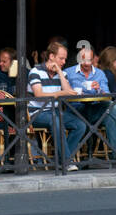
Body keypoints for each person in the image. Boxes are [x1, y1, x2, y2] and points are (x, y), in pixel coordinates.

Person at [28, 41, 86, 172]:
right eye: (61, 58)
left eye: (65, 58)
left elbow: (69, 92)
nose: (64, 61)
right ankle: (66, 161)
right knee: (55, 119)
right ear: (51, 57)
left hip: (55, 112)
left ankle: (61, 159)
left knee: (81, 125)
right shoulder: (35, 71)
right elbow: (38, 95)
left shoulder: (63, 73)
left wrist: (59, 71)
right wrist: (61, 93)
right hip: (37, 113)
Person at [65, 47, 116, 158]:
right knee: (111, 112)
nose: (86, 63)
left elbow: (107, 95)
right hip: (76, 111)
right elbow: (63, 92)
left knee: (110, 113)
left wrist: (99, 90)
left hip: (95, 109)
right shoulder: (68, 73)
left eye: (89, 60)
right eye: (83, 60)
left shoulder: (100, 74)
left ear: (94, 59)